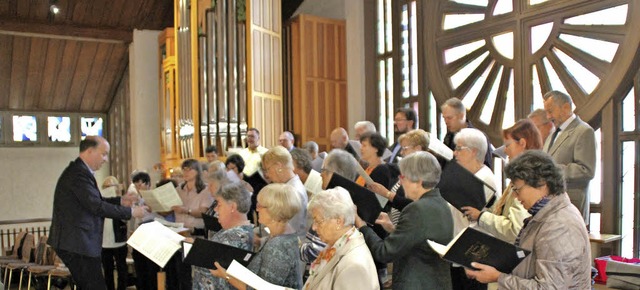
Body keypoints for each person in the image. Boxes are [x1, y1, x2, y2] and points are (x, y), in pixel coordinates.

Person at [465, 150, 591, 289]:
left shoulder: (559, 225)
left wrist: (498, 277)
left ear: (542, 183)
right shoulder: (544, 214)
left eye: (517, 189)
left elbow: (549, 288)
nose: (515, 196)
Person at [48, 136, 147, 290]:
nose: (106, 159)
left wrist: (120, 201)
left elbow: (94, 201)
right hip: (78, 242)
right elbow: (96, 206)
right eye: (104, 154)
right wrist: (132, 211)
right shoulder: (78, 174)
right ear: (89, 151)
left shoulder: (79, 171)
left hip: (77, 242)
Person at [356, 151, 454, 289]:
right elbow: (420, 241)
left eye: (403, 177)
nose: (400, 182)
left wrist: (361, 225)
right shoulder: (441, 203)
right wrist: (392, 228)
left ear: (418, 181)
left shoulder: (416, 209)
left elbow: (383, 253)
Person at [210, 184, 304, 289]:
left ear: (274, 210)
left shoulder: (278, 245)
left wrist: (226, 275)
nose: (257, 209)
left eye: (260, 205)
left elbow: (262, 288)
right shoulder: (281, 235)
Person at [462, 119, 540, 243]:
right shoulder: (523, 173)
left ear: (522, 143)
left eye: (508, 145)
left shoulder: (528, 177)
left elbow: (516, 229)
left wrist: (481, 216)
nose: (504, 150)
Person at [303, 187, 379, 290]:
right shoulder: (336, 245)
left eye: (318, 221)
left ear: (339, 221)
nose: (314, 227)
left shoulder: (354, 266)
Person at [542, 90, 596, 224]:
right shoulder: (553, 134)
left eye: (551, 111)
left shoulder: (584, 131)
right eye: (546, 112)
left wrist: (552, 170)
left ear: (566, 107)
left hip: (571, 207)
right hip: (550, 207)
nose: (548, 116)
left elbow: (586, 170)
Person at [192, 182, 254, 290]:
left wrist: (194, 247)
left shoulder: (235, 236)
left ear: (232, 207)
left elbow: (221, 279)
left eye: (219, 204)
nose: (215, 209)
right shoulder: (232, 231)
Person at [261, 146, 309, 239]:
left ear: (279, 166)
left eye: (267, 169)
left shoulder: (293, 191)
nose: (267, 175)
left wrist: (261, 240)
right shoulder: (288, 186)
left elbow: (288, 231)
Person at [441, 98, 494, 168]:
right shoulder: (449, 135)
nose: (446, 122)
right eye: (444, 118)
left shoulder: (477, 137)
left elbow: (486, 165)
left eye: (449, 118)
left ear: (461, 116)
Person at [100, 176, 128, 290]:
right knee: (108, 269)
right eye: (106, 186)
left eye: (111, 186)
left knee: (122, 268)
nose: (109, 188)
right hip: (104, 242)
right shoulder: (100, 201)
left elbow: (126, 218)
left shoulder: (121, 200)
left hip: (119, 240)